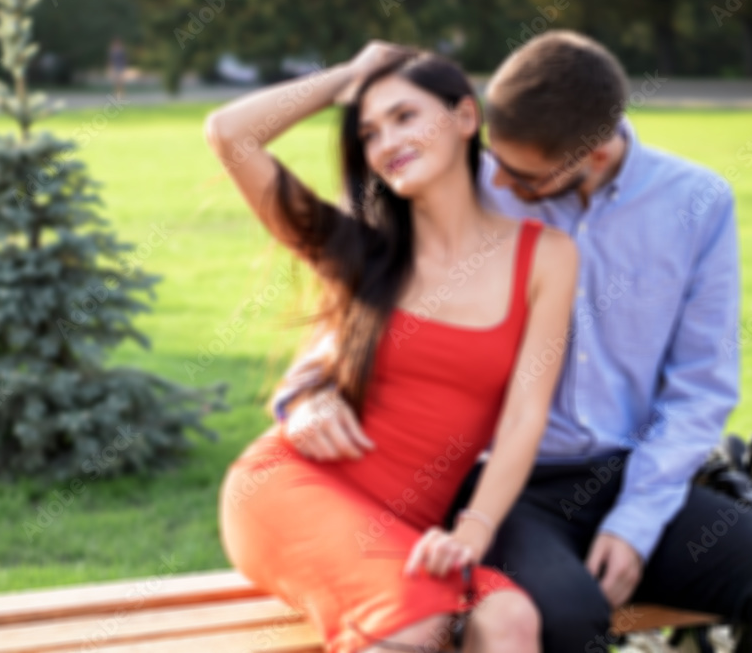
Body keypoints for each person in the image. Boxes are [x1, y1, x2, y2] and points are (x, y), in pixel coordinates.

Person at [272, 32, 752, 652]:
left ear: (591, 155)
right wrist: (308, 388)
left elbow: (701, 384)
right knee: (566, 615)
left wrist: (637, 522)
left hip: (631, 475)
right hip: (499, 488)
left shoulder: (696, 203)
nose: (501, 183)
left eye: (523, 175)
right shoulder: (471, 183)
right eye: (496, 160)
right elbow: (374, 281)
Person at [206, 44, 579, 652]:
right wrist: (349, 77)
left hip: (407, 529)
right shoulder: (355, 252)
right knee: (416, 622)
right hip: (289, 489)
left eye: (405, 116)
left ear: (465, 118)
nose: (386, 142)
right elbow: (228, 133)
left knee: (510, 620)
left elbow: (524, 415)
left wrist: (473, 531)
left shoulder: (546, 256)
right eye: (370, 132)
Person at [108, 37, 127, 101]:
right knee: (116, 82)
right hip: (115, 67)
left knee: (120, 82)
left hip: (120, 67)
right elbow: (111, 60)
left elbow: (124, 59)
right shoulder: (113, 50)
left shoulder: (121, 50)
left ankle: (121, 95)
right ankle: (116, 94)